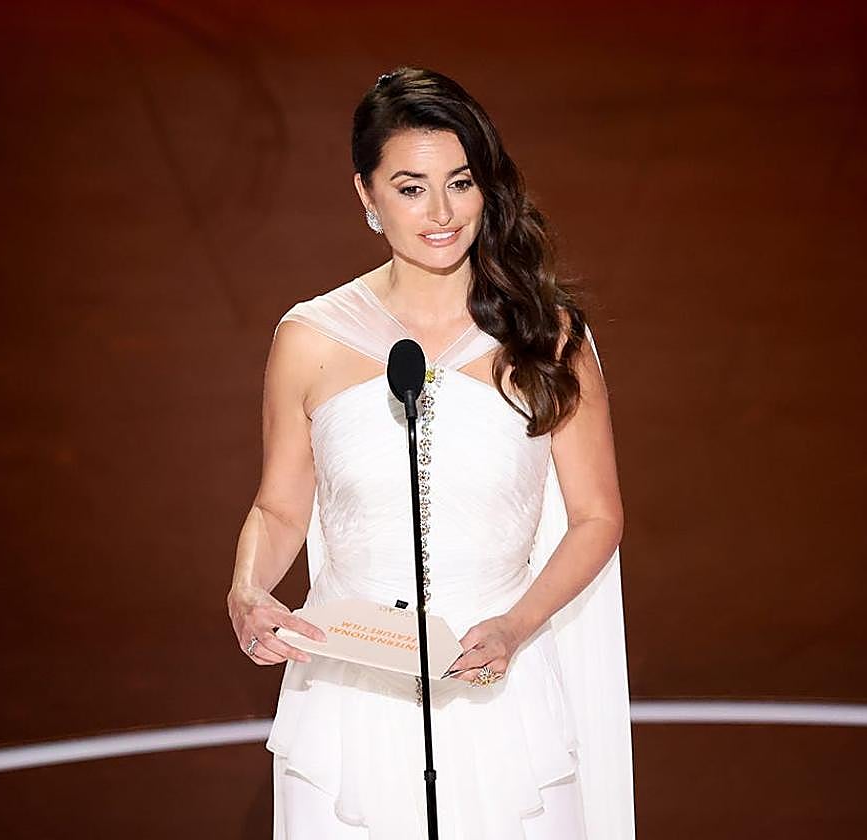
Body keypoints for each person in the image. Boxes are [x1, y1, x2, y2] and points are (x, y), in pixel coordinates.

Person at [227, 66, 635, 839]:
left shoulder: (546, 337)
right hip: (348, 700)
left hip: (501, 688)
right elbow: (280, 506)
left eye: (461, 183)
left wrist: (514, 626)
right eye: (411, 188)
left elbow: (596, 516)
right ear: (366, 194)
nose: (442, 213)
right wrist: (248, 590)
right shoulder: (310, 340)